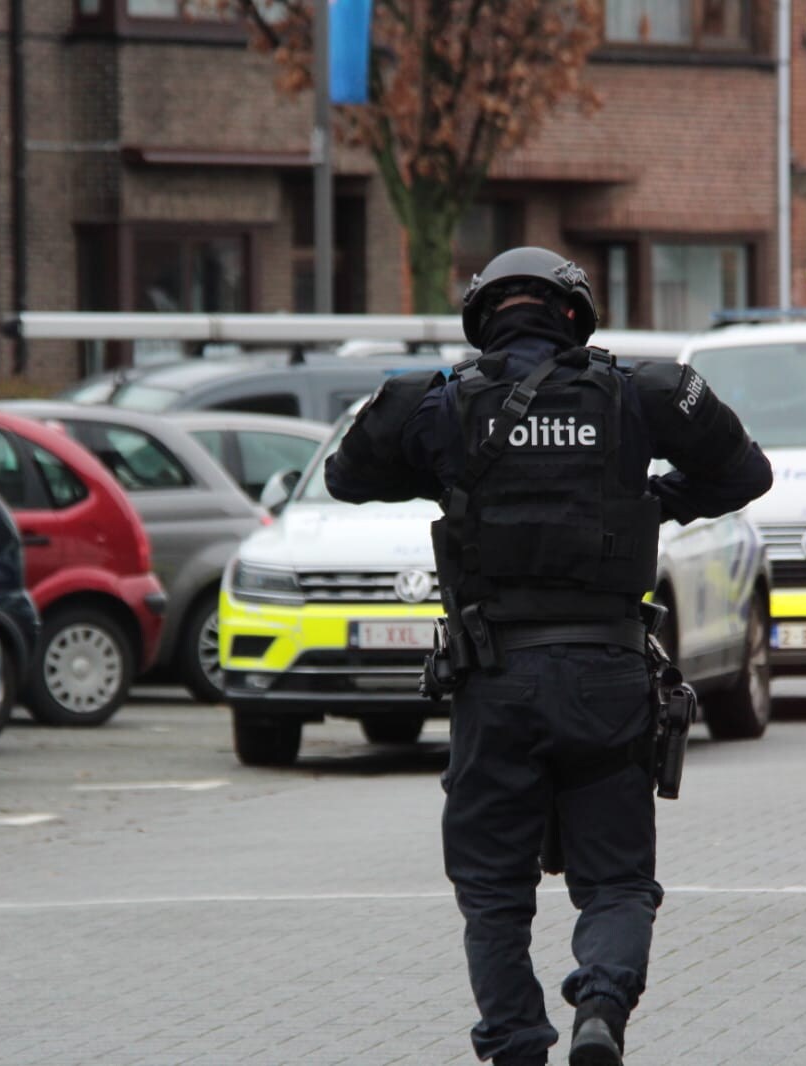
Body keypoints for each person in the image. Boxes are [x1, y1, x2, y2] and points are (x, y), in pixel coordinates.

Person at [324, 247, 773, 1066]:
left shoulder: (438, 403)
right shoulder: (639, 393)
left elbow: (346, 479)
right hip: (607, 676)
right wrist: (651, 505)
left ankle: (516, 1044)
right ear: (575, 314)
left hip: (492, 681)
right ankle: (600, 1004)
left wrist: (453, 479)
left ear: (481, 318)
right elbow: (747, 473)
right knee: (615, 882)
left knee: (493, 892)